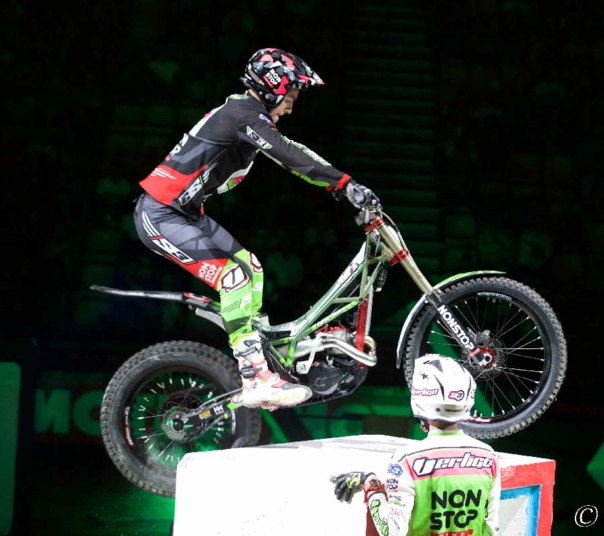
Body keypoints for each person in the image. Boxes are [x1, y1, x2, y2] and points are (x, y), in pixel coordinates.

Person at [131, 47, 379, 409]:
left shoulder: (245, 115)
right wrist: (342, 184)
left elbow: (294, 148)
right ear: (272, 87)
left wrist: (346, 182)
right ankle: (255, 377)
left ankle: (264, 358)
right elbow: (286, 155)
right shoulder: (242, 114)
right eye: (290, 96)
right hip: (161, 214)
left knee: (252, 267)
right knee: (236, 278)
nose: (291, 107)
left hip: (184, 213)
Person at [330, 354, 501, 536]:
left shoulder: (407, 460)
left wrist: (371, 485)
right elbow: (491, 527)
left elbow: (392, 531)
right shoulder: (488, 457)